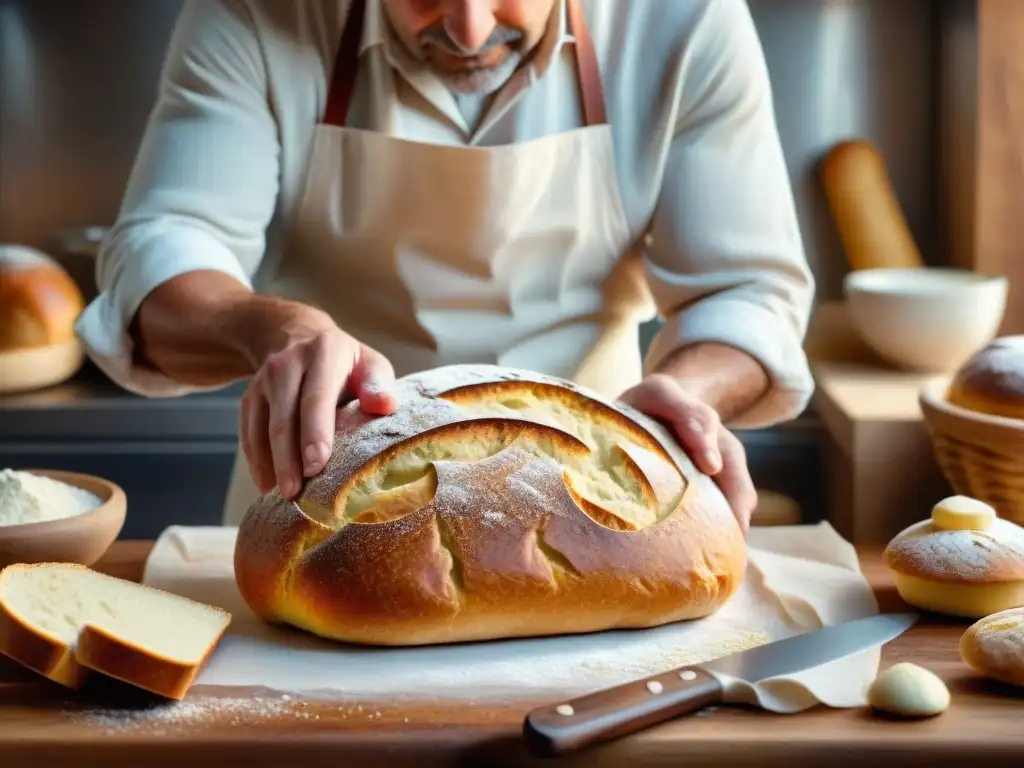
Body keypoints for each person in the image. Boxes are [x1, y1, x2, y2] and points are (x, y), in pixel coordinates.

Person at [75, 0, 816, 531]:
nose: (471, 27)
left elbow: (747, 291)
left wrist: (685, 397)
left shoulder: (685, 21)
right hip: (324, 505)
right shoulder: (256, 15)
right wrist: (272, 328)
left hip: (594, 504)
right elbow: (166, 249)